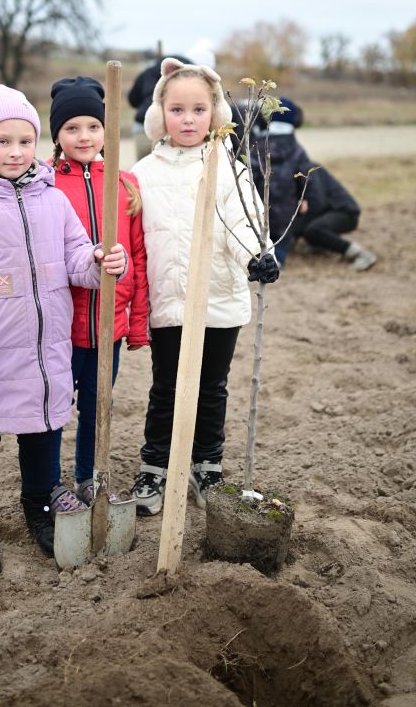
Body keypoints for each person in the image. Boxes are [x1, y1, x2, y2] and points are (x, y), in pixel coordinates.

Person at [0, 84, 126, 574]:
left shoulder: (53, 202)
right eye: (3, 141)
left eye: (24, 141)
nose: (15, 152)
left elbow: (79, 263)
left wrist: (101, 260)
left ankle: (40, 509)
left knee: (43, 431)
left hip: (45, 353)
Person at [129, 58, 279, 516]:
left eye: (198, 109)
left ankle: (206, 465)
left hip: (218, 298)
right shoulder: (142, 173)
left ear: (214, 113)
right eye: (177, 110)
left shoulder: (227, 167)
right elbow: (131, 235)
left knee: (212, 388)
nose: (188, 119)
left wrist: (258, 253)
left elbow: (242, 221)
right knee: (167, 388)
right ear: (160, 115)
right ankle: (156, 467)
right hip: (169, 301)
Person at [48, 76, 150, 504]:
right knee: (51, 410)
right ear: (56, 134)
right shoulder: (44, 184)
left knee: (96, 408)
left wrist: (138, 324)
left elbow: (139, 257)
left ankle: (88, 478)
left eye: (92, 126)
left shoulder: (125, 184)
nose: (84, 136)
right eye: (71, 128)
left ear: (106, 130)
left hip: (109, 326)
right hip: (60, 328)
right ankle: (50, 483)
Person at [249, 97, 312, 266]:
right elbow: (304, 172)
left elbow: (251, 173)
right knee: (284, 233)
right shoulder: (296, 148)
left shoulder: (258, 147)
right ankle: (280, 259)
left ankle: (264, 258)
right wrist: (303, 196)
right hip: (288, 202)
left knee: (262, 232)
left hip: (262, 200)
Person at [292, 164, 377, 271]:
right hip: (327, 212)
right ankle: (320, 245)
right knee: (307, 228)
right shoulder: (296, 169)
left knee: (314, 230)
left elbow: (317, 204)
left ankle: (361, 254)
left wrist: (292, 231)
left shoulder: (307, 170)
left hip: (344, 212)